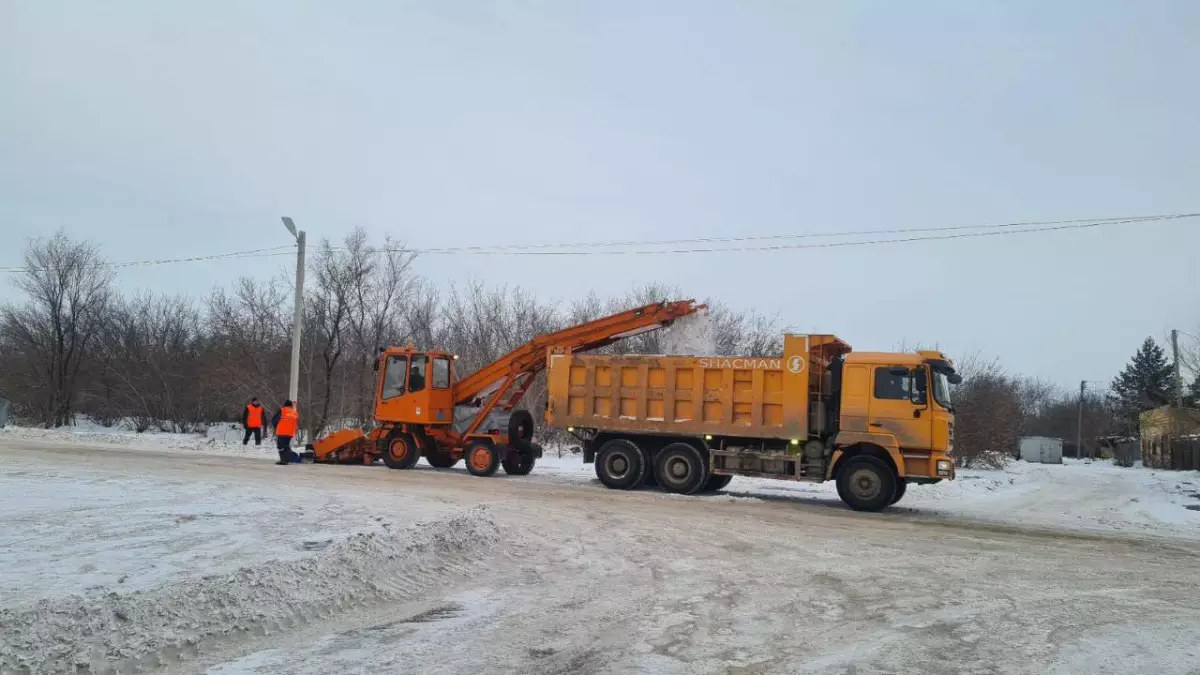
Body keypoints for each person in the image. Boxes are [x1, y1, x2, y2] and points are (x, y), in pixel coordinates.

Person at [271, 400, 300, 465]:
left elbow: (274, 420)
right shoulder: (295, 413)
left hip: (282, 431)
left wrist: (276, 427)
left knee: (280, 446)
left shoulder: (282, 410)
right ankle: (288, 459)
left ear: (285, 405)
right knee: (286, 445)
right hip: (290, 432)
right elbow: (296, 423)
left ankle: (284, 460)